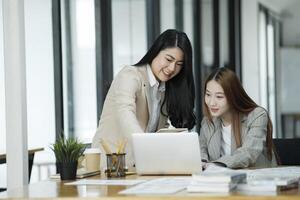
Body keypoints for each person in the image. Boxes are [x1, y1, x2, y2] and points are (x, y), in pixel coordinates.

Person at [92, 29, 196, 170]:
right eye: (169, 59)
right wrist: (147, 148)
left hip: (138, 170)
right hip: (110, 168)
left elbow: (157, 131)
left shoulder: (164, 89)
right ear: (156, 51)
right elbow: (125, 114)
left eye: (179, 64)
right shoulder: (129, 75)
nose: (172, 68)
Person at [199, 67, 278, 169]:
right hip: (222, 181)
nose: (211, 102)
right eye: (208, 95)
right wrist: (202, 162)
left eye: (219, 97)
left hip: (257, 179)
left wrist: (216, 164)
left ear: (233, 96)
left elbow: (248, 153)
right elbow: (201, 150)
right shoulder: (208, 122)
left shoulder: (257, 115)